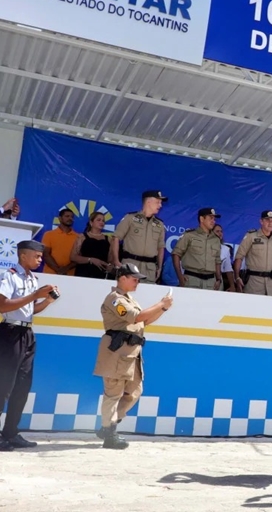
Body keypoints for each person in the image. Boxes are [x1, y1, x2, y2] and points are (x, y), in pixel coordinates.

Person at [93, 264, 173, 449]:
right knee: (113, 394)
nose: (137, 282)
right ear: (122, 278)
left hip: (131, 353)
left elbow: (145, 321)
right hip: (117, 352)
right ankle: (109, 432)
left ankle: (108, 426)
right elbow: (135, 317)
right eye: (134, 278)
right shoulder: (115, 299)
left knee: (134, 392)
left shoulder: (129, 299)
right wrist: (160, 304)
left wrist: (163, 309)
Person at [0, 240, 59, 450]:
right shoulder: (10, 275)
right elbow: (2, 305)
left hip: (27, 332)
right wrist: (35, 295)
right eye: (37, 256)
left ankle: (11, 432)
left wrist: (47, 300)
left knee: (22, 386)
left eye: (41, 256)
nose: (40, 259)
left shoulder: (33, 279)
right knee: (4, 385)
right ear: (23, 255)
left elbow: (31, 310)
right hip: (10, 332)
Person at [111, 191, 167, 283]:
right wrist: (116, 261)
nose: (160, 205)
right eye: (158, 202)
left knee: (147, 296)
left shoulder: (159, 224)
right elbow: (116, 238)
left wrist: (159, 267)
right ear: (148, 202)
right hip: (130, 265)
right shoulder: (130, 218)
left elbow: (161, 247)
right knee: (126, 295)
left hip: (149, 269)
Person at [234, 211, 272, 296]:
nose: (270, 223)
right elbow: (239, 257)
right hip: (253, 283)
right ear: (261, 221)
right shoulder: (251, 236)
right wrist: (237, 277)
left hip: (270, 285)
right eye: (267, 220)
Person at [172, 208, 223, 290]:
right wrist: (180, 276)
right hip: (192, 279)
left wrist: (218, 279)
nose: (213, 221)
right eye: (210, 218)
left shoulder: (216, 239)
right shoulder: (189, 235)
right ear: (202, 219)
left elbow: (217, 261)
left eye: (214, 219)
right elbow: (176, 254)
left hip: (210, 282)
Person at [71, 211, 113, 279]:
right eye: (98, 220)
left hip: (101, 274)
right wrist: (90, 260)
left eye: (103, 221)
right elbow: (73, 257)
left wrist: (110, 266)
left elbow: (111, 259)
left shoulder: (109, 239)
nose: (101, 222)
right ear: (91, 222)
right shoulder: (82, 237)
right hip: (84, 273)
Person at [41, 208, 78, 276]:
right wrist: (58, 270)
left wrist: (66, 269)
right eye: (67, 216)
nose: (70, 218)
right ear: (60, 218)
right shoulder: (49, 234)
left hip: (70, 276)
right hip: (50, 274)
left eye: (72, 217)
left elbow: (78, 257)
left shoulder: (78, 237)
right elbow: (46, 254)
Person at [214, 224, 235, 292]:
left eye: (221, 231)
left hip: (219, 279)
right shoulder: (204, 246)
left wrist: (232, 286)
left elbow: (228, 269)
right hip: (204, 277)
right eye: (217, 231)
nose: (220, 233)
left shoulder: (225, 249)